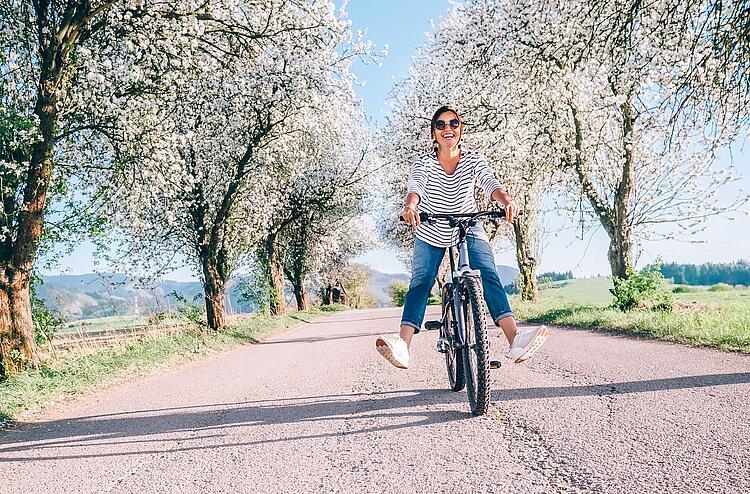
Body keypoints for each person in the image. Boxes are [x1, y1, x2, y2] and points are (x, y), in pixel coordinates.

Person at [376, 105, 549, 369]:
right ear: (433, 133)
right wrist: (410, 206)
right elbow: (416, 188)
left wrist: (507, 201)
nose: (448, 129)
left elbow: (490, 184)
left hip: (467, 226)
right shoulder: (423, 162)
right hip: (431, 227)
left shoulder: (473, 159)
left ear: (461, 129)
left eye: (453, 124)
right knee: (421, 282)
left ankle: (515, 340)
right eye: (441, 125)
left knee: (488, 273)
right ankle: (403, 346)